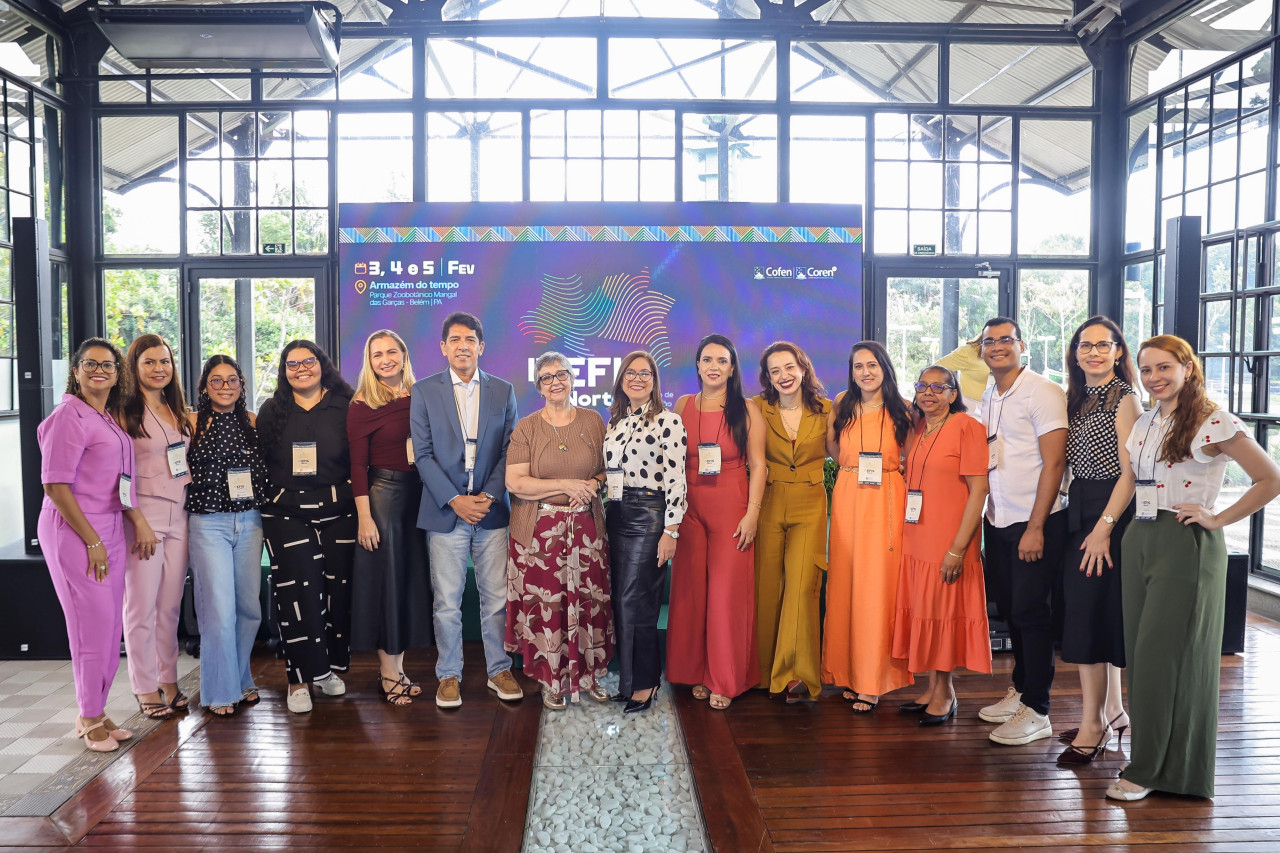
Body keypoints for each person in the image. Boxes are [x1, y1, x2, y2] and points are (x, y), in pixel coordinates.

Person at [1107, 335, 1280, 801]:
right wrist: (1107, 527)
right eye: (1146, 369)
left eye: (1164, 367)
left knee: (1163, 658)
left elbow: (1271, 478)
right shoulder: (1147, 421)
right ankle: (1165, 764)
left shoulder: (1213, 420)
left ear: (1187, 367)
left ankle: (1149, 769)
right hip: (1141, 535)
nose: (1154, 378)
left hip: (1185, 542)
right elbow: (1131, 478)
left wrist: (1218, 518)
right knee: (1143, 656)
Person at [38, 338, 155, 751]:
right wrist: (92, 541)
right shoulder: (67, 416)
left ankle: (98, 709)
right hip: (76, 531)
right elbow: (55, 485)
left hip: (110, 526)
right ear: (76, 371)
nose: (99, 371)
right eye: (90, 364)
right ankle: (88, 716)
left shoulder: (104, 416)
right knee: (90, 626)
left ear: (117, 374)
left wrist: (128, 521)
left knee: (108, 626)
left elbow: (118, 480)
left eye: (107, 365)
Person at [411, 312, 523, 709]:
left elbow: (511, 450)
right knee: (447, 601)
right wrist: (455, 500)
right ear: (444, 347)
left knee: (496, 598)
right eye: (455, 340)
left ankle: (499, 669)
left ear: (481, 346)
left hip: (491, 512)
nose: (463, 346)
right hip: (446, 512)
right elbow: (422, 455)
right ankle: (449, 674)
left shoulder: (502, 390)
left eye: (470, 339)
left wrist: (489, 496)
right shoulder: (424, 391)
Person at [976, 317, 1069, 745]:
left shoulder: (1042, 391)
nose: (997, 347)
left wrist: (1036, 526)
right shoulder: (990, 393)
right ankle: (1021, 689)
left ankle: (1038, 708)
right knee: (1013, 610)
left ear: (1022, 345)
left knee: (1032, 614)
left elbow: (1055, 462)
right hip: (998, 519)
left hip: (1034, 521)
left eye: (1005, 340)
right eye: (989, 341)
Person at [505, 353, 613, 709]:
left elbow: (607, 470)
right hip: (539, 534)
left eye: (561, 374)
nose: (556, 382)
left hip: (586, 530)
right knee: (548, 607)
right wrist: (565, 485)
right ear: (538, 386)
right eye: (547, 377)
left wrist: (593, 484)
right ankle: (550, 679)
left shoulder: (593, 420)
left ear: (572, 379)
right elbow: (515, 482)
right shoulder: (526, 428)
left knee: (589, 603)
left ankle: (590, 675)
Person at [666, 334, 765, 711]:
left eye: (722, 360)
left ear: (732, 368)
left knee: (726, 597)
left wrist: (752, 514)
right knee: (691, 594)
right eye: (707, 359)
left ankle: (725, 678)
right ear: (697, 365)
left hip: (731, 507)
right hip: (689, 508)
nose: (714, 366)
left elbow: (759, 465)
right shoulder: (683, 405)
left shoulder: (747, 409)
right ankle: (696, 672)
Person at [1058, 316, 1141, 765]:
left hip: (1109, 512)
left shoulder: (1124, 399)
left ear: (1118, 351)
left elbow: (1131, 474)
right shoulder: (1077, 397)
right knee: (1092, 613)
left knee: (1088, 619)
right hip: (1081, 507)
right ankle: (1113, 712)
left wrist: (1103, 528)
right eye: (1085, 345)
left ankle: (1092, 726)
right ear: (1075, 353)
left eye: (1102, 345)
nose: (1093, 352)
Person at [257, 341, 357, 714]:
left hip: (340, 511)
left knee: (336, 592)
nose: (301, 369)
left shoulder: (346, 405)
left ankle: (326, 670)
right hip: (286, 514)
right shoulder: (272, 409)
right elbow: (260, 462)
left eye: (308, 361)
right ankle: (298, 678)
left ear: (322, 364)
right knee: (297, 594)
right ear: (284, 371)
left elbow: (360, 459)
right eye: (292, 363)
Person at [891, 365, 991, 725]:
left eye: (939, 387)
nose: (929, 393)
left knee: (943, 612)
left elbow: (979, 490)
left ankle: (946, 693)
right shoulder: (919, 427)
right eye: (923, 386)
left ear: (953, 393)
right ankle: (932, 688)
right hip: (918, 535)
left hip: (949, 538)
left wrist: (957, 549)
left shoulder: (967, 427)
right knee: (927, 610)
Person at [822, 341, 914, 713]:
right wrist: (852, 467)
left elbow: (912, 454)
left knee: (877, 589)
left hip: (886, 500)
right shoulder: (841, 403)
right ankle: (850, 673)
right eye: (858, 366)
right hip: (848, 495)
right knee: (846, 585)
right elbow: (832, 447)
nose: (865, 372)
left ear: (885, 367)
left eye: (872, 365)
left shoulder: (903, 407)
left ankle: (873, 679)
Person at [348, 329, 433, 706]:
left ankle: (399, 668)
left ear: (404, 354)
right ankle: (387, 671)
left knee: (407, 585)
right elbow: (357, 466)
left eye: (392, 352)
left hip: (418, 498)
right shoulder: (362, 403)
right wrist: (365, 518)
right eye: (377, 354)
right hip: (384, 499)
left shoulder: (421, 395)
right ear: (369, 361)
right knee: (388, 587)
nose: (386, 359)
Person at [603, 351, 687, 714]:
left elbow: (677, 479)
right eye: (630, 373)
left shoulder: (669, 422)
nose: (637, 378)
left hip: (650, 515)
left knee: (638, 601)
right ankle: (628, 682)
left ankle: (647, 681)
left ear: (654, 381)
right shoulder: (615, 423)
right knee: (620, 600)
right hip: (616, 512)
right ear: (621, 379)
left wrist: (671, 530)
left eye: (645, 373)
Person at [185, 355, 270, 717]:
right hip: (209, 523)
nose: (225, 387)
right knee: (219, 610)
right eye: (217, 380)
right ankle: (220, 691)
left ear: (241, 385)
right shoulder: (191, 423)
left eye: (232, 380)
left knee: (249, 608)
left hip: (249, 520)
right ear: (205, 386)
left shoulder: (252, 421)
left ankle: (241, 678)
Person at [752, 342, 831, 702]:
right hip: (767, 500)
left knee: (802, 588)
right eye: (775, 371)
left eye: (789, 367)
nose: (783, 376)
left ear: (803, 368)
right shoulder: (756, 408)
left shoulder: (826, 409)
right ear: (767, 377)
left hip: (810, 503)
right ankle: (762, 672)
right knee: (766, 588)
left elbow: (844, 450)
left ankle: (796, 674)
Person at [119, 334, 192, 719]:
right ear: (134, 366)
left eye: (164, 361)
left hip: (180, 514)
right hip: (143, 518)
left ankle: (168, 679)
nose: (159, 368)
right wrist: (137, 520)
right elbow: (118, 476)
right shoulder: (123, 412)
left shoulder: (176, 408)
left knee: (169, 607)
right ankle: (144, 687)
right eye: (149, 361)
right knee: (141, 607)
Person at [936, 338, 991, 417]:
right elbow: (936, 369)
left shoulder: (1008, 353)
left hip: (1002, 411)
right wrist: (951, 394)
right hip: (973, 411)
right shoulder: (968, 352)